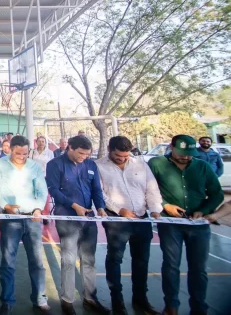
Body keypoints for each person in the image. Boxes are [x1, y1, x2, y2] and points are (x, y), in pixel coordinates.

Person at [148, 135, 223, 315]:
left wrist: (204, 211)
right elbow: (148, 189)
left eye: (189, 154)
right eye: (181, 153)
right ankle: (171, 306)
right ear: (171, 147)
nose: (185, 157)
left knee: (198, 268)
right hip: (170, 223)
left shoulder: (202, 166)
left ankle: (199, 307)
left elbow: (217, 194)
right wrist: (165, 205)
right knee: (171, 265)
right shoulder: (156, 164)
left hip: (198, 225)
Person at [96, 136, 163, 315]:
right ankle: (117, 302)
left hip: (142, 219)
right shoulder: (98, 166)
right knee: (115, 260)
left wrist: (155, 209)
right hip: (117, 222)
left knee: (141, 261)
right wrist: (120, 210)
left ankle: (140, 299)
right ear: (110, 149)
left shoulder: (140, 164)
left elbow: (152, 189)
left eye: (126, 156)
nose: (122, 159)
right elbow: (100, 193)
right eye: (118, 155)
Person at [46, 135, 109, 315]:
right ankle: (67, 301)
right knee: (68, 260)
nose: (84, 157)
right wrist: (74, 206)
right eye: (81, 153)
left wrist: (101, 208)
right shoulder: (55, 164)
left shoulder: (90, 165)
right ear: (70, 148)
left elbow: (97, 189)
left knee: (89, 260)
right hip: (67, 219)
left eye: (87, 154)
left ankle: (90, 298)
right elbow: (54, 191)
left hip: (88, 219)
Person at [0, 136, 50, 315]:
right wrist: (5, 205)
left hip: (32, 219)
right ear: (9, 149)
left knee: (37, 262)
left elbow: (42, 190)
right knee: (8, 262)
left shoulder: (34, 166)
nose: (22, 157)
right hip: (10, 220)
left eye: (25, 153)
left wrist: (38, 209)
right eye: (18, 153)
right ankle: (7, 301)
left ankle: (40, 299)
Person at [30, 136, 55, 224]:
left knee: (45, 197)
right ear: (36, 142)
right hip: (34, 177)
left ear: (45, 143)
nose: (41, 143)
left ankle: (45, 216)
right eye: (39, 141)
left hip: (45, 177)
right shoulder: (32, 152)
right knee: (33, 195)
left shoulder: (50, 153)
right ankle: (35, 212)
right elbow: (29, 164)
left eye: (43, 141)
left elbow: (52, 166)